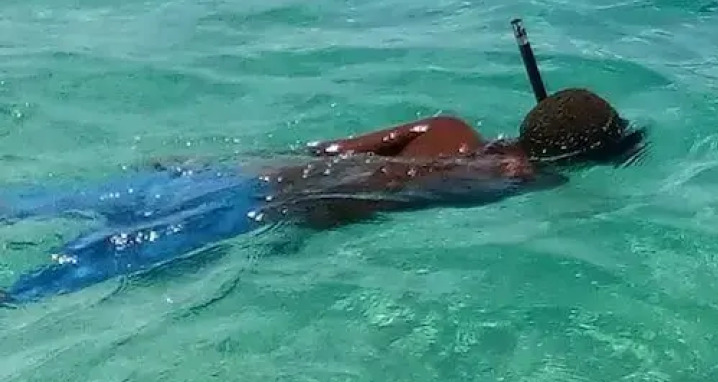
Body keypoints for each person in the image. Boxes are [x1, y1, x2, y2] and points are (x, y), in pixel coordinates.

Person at [1, 86, 643, 305]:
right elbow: (385, 193)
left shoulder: (447, 129)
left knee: (36, 201)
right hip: (261, 208)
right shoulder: (510, 179)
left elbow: (327, 151)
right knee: (35, 285)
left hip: (236, 173)